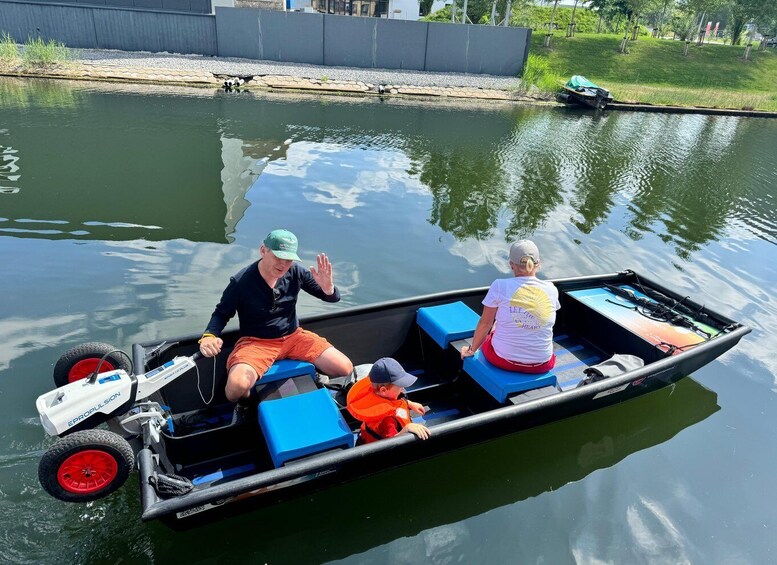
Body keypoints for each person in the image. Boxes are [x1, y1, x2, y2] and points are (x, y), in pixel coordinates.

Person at [198, 229, 353, 405]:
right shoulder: (241, 281)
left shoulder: (296, 272)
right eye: (278, 257)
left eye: (289, 259)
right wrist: (209, 336)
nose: (283, 264)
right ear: (263, 250)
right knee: (235, 388)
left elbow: (331, 297)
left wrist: (329, 289)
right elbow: (221, 313)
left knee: (344, 368)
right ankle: (248, 403)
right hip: (256, 343)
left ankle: (316, 381)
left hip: (293, 337)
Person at [461, 239, 560, 373]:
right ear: (538, 263)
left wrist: (471, 350)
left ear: (511, 264)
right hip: (542, 364)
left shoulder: (499, 285)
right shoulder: (551, 289)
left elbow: (485, 323)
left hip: (502, 360)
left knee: (495, 325)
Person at [346, 357, 431, 443]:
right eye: (400, 386)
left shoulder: (382, 394)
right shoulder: (387, 421)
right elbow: (391, 443)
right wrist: (406, 429)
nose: (403, 388)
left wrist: (410, 403)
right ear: (383, 390)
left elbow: (396, 403)